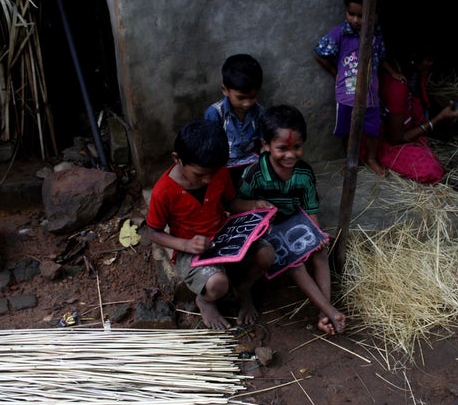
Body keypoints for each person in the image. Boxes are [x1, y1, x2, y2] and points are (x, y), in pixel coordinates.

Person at [146, 119, 275, 330]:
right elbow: (154, 233)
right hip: (191, 249)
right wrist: (186, 245)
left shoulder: (219, 172)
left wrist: (256, 206)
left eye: (213, 174)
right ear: (177, 159)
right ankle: (205, 301)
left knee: (267, 254)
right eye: (199, 174)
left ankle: (244, 288)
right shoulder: (163, 191)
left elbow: (231, 203)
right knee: (217, 284)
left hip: (226, 235)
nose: (207, 180)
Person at [239, 104, 346, 335]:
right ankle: (329, 310)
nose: (290, 154)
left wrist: (316, 235)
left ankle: (323, 312)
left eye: (297, 147)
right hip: (265, 229)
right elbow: (234, 204)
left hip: (295, 224)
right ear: (265, 145)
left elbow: (310, 208)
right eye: (282, 148)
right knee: (294, 262)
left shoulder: (304, 173)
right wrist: (255, 205)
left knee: (319, 251)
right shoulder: (254, 173)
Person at [313, 0, 403, 177]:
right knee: (347, 130)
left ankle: (370, 158)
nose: (355, 20)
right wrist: (335, 72)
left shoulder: (375, 35)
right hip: (346, 96)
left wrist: (392, 72)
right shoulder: (341, 34)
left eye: (361, 16)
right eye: (351, 14)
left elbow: (380, 58)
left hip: (371, 96)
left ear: (374, 15)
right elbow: (319, 52)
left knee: (372, 129)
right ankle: (351, 161)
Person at [378, 52, 458, 184]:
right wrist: (439, 118)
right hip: (390, 142)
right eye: (428, 60)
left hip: (407, 130)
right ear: (413, 60)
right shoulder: (397, 87)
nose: (431, 64)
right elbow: (396, 139)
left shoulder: (416, 76)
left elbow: (420, 107)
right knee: (432, 170)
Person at [204, 53, 265, 189]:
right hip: (224, 167)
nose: (247, 103)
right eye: (241, 98)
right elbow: (211, 149)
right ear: (225, 90)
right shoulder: (215, 113)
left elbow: (263, 144)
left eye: (253, 97)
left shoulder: (259, 113)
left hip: (250, 164)